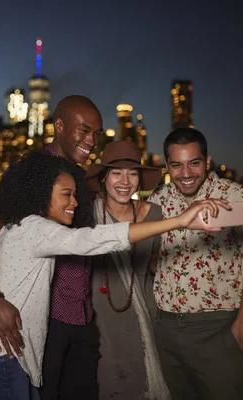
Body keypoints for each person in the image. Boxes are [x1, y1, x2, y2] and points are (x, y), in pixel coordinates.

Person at [0, 150, 228, 399]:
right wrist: (179, 221)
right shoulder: (35, 228)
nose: (74, 203)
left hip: (8, 349)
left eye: (75, 194)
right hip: (2, 351)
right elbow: (93, 239)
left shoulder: (26, 226)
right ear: (42, 193)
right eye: (66, 194)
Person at [0, 95, 104, 399]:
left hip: (84, 318)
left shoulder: (88, 178)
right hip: (45, 321)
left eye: (96, 133)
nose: (92, 140)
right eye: (84, 130)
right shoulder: (29, 173)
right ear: (59, 126)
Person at [147, 127, 243, 400]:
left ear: (207, 161)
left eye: (194, 163)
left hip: (218, 328)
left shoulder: (239, 198)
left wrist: (240, 330)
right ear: (167, 165)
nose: (186, 173)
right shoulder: (157, 201)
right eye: (176, 165)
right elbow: (152, 259)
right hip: (166, 329)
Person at [86, 141, 170, 399]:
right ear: (103, 177)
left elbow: (155, 263)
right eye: (116, 173)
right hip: (99, 321)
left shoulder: (155, 213)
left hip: (144, 316)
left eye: (132, 173)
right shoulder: (87, 215)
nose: (125, 181)